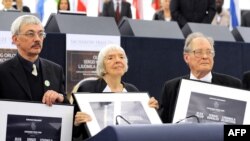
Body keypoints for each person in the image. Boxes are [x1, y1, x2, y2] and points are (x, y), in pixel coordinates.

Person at [72, 44, 159, 140]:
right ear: (102, 65)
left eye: (121, 57)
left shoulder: (132, 90)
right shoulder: (87, 88)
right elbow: (74, 131)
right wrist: (77, 123)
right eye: (110, 58)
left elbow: (141, 125)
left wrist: (151, 110)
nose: (118, 60)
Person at [159, 32, 241, 123]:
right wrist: (152, 111)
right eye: (198, 52)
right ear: (187, 58)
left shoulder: (233, 85)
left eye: (209, 52)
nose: (205, 56)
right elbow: (163, 126)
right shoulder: (171, 88)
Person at [0, 15, 68, 106]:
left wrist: (60, 98)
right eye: (30, 34)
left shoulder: (56, 70)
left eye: (41, 34)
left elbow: (68, 108)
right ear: (15, 39)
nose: (37, 39)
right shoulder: (3, 71)